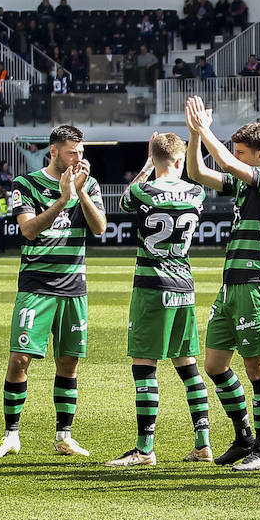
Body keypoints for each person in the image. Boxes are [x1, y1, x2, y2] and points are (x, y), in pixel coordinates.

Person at [0, 125, 107, 460]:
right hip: (36, 286)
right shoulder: (25, 183)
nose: (78, 159)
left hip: (73, 287)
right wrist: (63, 198)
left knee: (68, 362)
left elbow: (99, 228)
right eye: (71, 152)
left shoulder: (90, 185)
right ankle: (11, 435)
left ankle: (63, 437)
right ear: (53, 151)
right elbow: (28, 230)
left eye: (81, 152)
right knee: (19, 359)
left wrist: (79, 193)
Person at [185, 97, 260, 471]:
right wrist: (195, 135)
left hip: (256, 285)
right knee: (214, 364)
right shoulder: (247, 184)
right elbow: (197, 172)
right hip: (231, 287)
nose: (235, 156)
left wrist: (205, 128)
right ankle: (244, 435)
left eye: (243, 152)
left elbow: (226, 163)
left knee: (257, 367)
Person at [105, 133, 211, 468]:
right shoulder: (197, 192)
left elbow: (124, 202)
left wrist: (146, 165)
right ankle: (203, 443)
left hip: (152, 285)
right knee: (187, 365)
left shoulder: (142, 190)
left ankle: (144, 449)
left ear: (153, 157)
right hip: (184, 285)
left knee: (144, 366)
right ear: (180, 160)